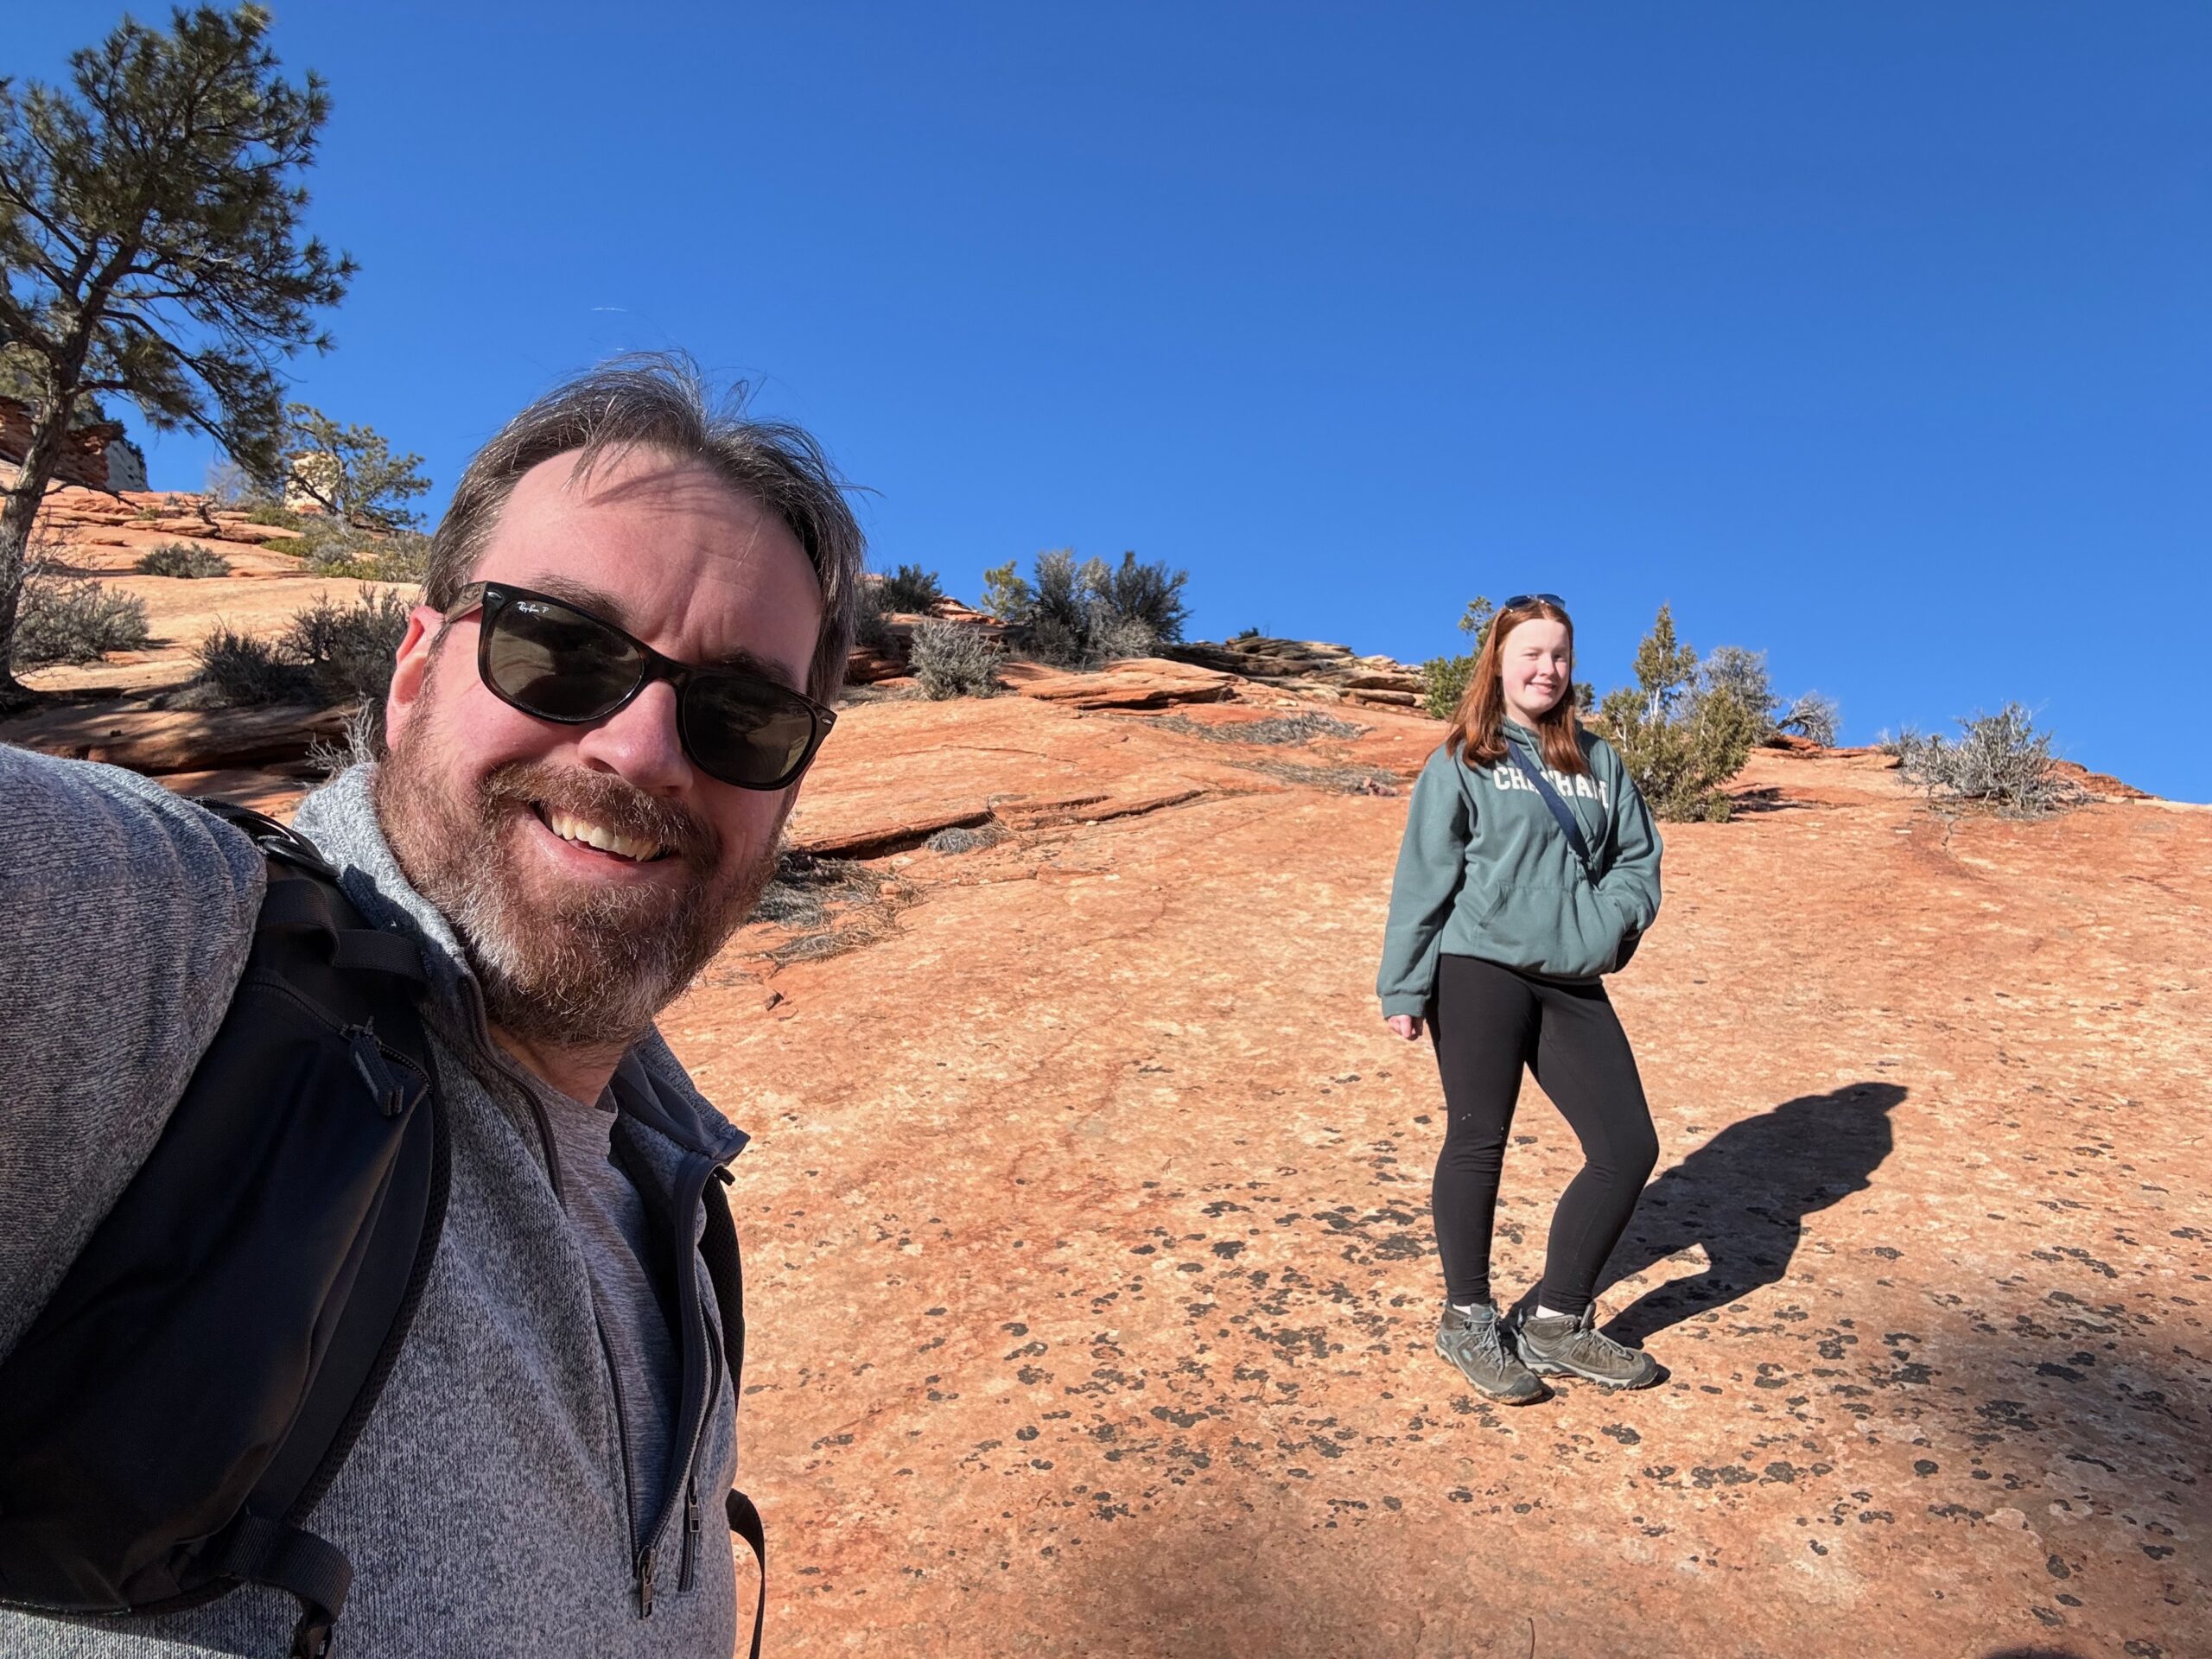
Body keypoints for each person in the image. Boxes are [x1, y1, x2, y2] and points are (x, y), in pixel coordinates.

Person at [0, 356, 865, 1655]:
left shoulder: (679, 1204)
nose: (638, 750)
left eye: (740, 715)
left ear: (790, 787)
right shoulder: (170, 967)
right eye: (558, 648)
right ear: (413, 671)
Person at [1374, 594, 1664, 1402]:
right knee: (1478, 1139)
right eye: (1531, 654)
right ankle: (1467, 1319)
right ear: (1499, 663)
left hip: (1572, 974)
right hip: (1479, 968)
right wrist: (1404, 983)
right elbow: (1423, 878)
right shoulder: (1464, 757)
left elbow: (1637, 864)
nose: (1547, 669)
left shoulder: (1599, 763)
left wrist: (1606, 927)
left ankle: (1556, 1323)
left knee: (1627, 1147)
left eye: (1560, 656)